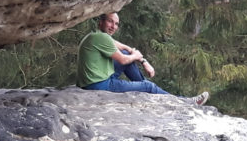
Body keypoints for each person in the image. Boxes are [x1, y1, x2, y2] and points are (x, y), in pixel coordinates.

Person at [76, 12, 209, 103]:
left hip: (94, 81)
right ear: (101, 22)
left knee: (129, 56)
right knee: (148, 85)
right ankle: (183, 102)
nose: (113, 26)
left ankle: (144, 87)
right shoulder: (101, 37)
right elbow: (122, 60)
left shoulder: (95, 36)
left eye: (116, 24)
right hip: (99, 85)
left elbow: (125, 49)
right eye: (110, 22)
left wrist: (143, 61)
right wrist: (137, 56)